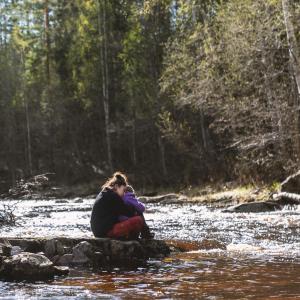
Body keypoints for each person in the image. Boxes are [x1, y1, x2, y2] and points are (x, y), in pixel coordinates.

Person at [90, 172, 144, 239]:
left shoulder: (105, 193)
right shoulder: (113, 197)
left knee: (135, 214)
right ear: (116, 186)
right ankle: (137, 238)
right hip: (105, 232)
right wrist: (137, 208)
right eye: (123, 190)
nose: (124, 194)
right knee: (138, 219)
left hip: (99, 231)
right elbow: (128, 213)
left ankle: (137, 236)